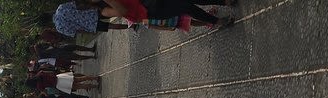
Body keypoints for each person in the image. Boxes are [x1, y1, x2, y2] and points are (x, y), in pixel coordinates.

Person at [90, 0, 235, 28]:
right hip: (149, 11)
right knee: (186, 6)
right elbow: (123, 11)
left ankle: (225, 1)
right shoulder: (103, 9)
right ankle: (217, 22)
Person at [53, 1, 131, 37]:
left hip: (90, 25)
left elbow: (77, 31)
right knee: (111, 11)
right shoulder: (61, 8)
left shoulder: (59, 27)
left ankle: (131, 26)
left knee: (111, 26)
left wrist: (88, 32)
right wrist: (91, 6)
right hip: (91, 12)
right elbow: (79, 5)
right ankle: (130, 13)